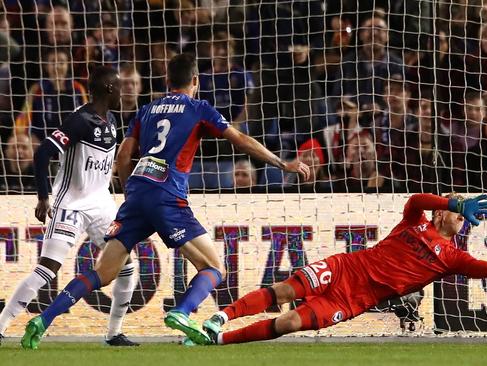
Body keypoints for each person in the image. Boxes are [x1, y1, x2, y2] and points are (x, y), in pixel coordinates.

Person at [20, 54, 310, 349]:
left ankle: (43, 319)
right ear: (195, 81)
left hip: (136, 195)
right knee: (213, 268)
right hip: (167, 196)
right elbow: (239, 139)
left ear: (167, 81)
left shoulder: (146, 110)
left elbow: (123, 156)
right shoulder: (199, 108)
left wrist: (130, 193)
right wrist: (281, 163)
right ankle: (182, 312)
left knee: (102, 274)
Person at [200, 193, 487, 345]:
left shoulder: (452, 257)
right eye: (457, 210)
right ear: (440, 212)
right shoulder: (415, 221)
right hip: (346, 267)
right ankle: (221, 317)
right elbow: (414, 200)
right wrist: (453, 199)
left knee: (289, 323)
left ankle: (216, 341)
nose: (461, 216)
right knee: (285, 291)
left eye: (463, 213)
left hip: (356, 298)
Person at [2, 66, 139, 347]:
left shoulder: (111, 120)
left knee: (126, 266)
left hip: (101, 204)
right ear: (109, 89)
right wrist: (43, 197)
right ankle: (1, 324)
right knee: (47, 269)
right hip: (71, 204)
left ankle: (114, 333)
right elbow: (42, 154)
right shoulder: (80, 121)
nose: (124, 93)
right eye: (120, 87)